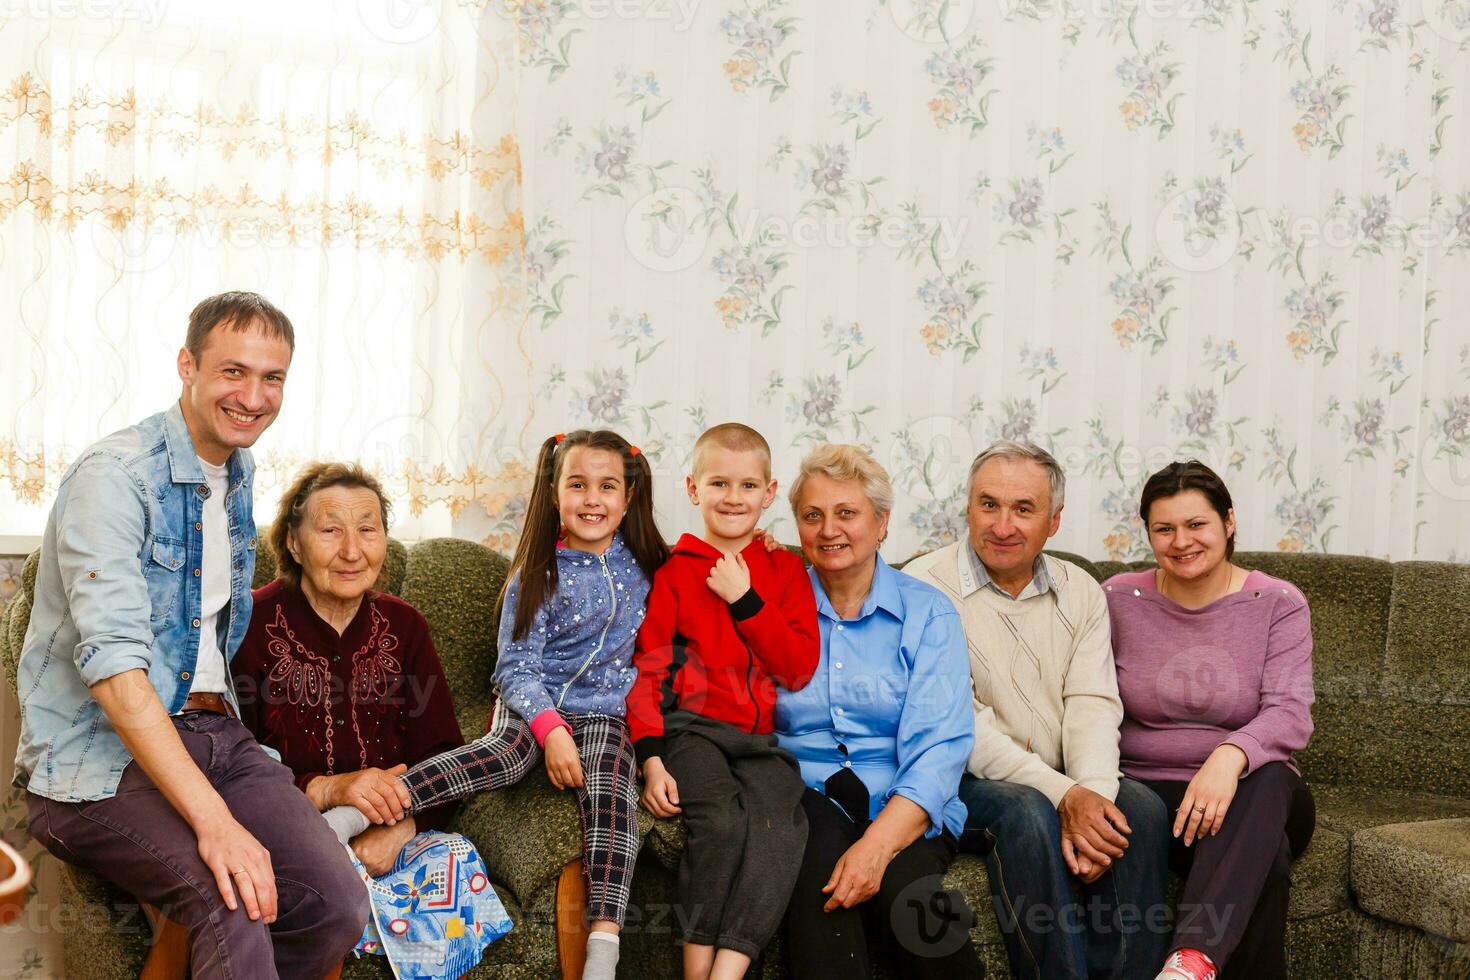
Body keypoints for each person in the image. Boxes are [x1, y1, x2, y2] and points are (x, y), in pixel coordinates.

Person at [14, 292, 368, 978]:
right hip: (94, 760)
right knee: (230, 896)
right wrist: (216, 823)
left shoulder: (238, 471)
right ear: (187, 365)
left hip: (216, 736)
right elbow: (116, 676)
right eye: (234, 371)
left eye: (273, 378)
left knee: (336, 902)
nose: (254, 396)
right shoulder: (113, 479)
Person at [324, 429, 667, 980]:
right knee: (507, 755)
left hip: (605, 709)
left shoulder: (648, 568)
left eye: (608, 487)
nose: (593, 499)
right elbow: (514, 667)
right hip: (531, 700)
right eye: (577, 485)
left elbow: (703, 583)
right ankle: (354, 813)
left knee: (612, 784)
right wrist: (551, 729)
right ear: (555, 493)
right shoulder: (536, 574)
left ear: (629, 497)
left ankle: (604, 943)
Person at [233, 462, 510, 978]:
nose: (352, 551)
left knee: (454, 861)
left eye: (368, 529)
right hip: (288, 830)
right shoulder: (249, 625)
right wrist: (328, 789)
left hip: (392, 832)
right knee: (312, 884)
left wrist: (405, 827)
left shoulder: (406, 627)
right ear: (293, 544)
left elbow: (444, 758)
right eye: (330, 530)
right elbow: (229, 761)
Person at [906, 439, 1168, 980]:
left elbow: (1092, 704)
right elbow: (962, 729)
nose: (1002, 525)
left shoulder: (1081, 591)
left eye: (1023, 509)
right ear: (968, 507)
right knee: (1026, 811)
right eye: (988, 504)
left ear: (1053, 521)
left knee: (1138, 810)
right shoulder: (923, 587)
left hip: (1057, 775)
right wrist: (1064, 795)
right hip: (957, 776)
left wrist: (1091, 796)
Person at [776, 443, 985, 979]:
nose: (829, 530)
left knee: (906, 898)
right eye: (813, 515)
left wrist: (876, 847)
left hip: (900, 803)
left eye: (847, 513)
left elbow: (940, 749)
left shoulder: (928, 613)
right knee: (818, 880)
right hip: (804, 801)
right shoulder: (772, 607)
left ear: (882, 522)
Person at [1103, 461, 1315, 980]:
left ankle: (1191, 959)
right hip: (1149, 798)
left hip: (1254, 791)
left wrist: (1231, 754)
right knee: (1268, 866)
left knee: (1265, 778)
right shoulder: (1116, 599)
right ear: (1148, 533)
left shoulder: (1278, 603)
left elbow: (1290, 712)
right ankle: (1191, 966)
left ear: (1229, 522)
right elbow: (1085, 701)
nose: (1181, 541)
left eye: (1197, 524)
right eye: (1164, 528)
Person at [628, 422, 819, 980]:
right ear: (692, 489)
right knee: (721, 824)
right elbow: (647, 673)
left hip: (759, 741)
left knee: (782, 826)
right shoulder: (672, 574)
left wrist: (746, 600)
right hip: (691, 731)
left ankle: (729, 972)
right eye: (718, 484)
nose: (733, 498)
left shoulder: (785, 570)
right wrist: (652, 757)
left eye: (746, 486)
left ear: (769, 491)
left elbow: (798, 667)